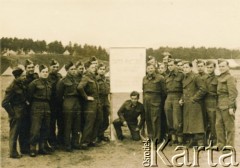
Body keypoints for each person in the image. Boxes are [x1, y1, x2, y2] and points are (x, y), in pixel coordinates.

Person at [179, 61, 206, 147]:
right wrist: (182, 99)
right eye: (183, 67)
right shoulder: (185, 78)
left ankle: (200, 142)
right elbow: (184, 91)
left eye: (187, 67)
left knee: (196, 123)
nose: (185, 69)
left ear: (191, 68)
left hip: (194, 103)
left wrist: (194, 98)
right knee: (189, 123)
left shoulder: (196, 77)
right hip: (187, 103)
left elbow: (203, 89)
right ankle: (192, 141)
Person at [2, 67, 27, 158]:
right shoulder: (12, 87)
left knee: (23, 131)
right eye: (23, 76)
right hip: (16, 112)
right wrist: (12, 114)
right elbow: (4, 103)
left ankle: (23, 149)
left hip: (22, 111)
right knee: (14, 133)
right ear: (17, 77)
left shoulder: (20, 84)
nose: (25, 77)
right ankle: (13, 152)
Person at [56, 61, 82, 152]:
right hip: (68, 102)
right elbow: (59, 95)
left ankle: (75, 143)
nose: (74, 71)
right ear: (67, 70)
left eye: (74, 69)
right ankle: (67, 144)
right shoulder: (63, 81)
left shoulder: (77, 80)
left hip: (77, 102)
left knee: (77, 124)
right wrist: (64, 105)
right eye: (71, 69)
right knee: (68, 124)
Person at [28, 65, 52, 157]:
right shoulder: (34, 83)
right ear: (39, 73)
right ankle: (33, 148)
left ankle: (42, 148)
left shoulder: (49, 83)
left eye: (46, 72)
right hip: (36, 105)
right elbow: (29, 96)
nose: (45, 73)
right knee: (35, 128)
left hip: (47, 106)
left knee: (45, 127)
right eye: (43, 72)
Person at [77, 61, 102, 148]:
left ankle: (92, 140)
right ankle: (85, 142)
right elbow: (80, 87)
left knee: (98, 120)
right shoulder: (86, 77)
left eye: (95, 67)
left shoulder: (93, 77)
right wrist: (86, 97)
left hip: (97, 102)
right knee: (89, 122)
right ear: (87, 68)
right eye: (92, 67)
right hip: (90, 103)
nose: (94, 68)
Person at [216, 59, 238, 151]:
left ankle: (229, 147)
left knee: (229, 127)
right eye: (220, 66)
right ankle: (221, 145)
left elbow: (233, 93)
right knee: (219, 126)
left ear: (228, 67)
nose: (221, 68)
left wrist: (231, 107)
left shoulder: (230, 78)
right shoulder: (220, 77)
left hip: (227, 104)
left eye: (223, 66)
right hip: (219, 104)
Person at [143, 63, 165, 144]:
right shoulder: (144, 78)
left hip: (156, 101)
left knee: (155, 120)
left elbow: (164, 92)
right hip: (146, 101)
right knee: (148, 119)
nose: (150, 70)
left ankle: (157, 138)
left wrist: (159, 101)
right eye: (148, 68)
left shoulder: (160, 78)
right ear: (146, 69)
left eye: (151, 68)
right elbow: (144, 90)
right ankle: (150, 137)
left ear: (154, 69)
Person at [20, 59, 39, 154]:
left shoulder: (36, 77)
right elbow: (20, 92)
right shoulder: (23, 78)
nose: (31, 69)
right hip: (25, 105)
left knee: (33, 126)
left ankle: (32, 146)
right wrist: (25, 100)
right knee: (24, 126)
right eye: (29, 67)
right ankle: (24, 148)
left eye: (32, 67)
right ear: (25, 68)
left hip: (34, 104)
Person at [164, 59, 184, 145]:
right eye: (168, 65)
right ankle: (173, 138)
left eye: (171, 65)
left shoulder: (181, 75)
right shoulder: (167, 76)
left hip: (177, 97)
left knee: (177, 119)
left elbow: (185, 88)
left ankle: (180, 139)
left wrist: (182, 98)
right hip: (169, 97)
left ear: (175, 65)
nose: (170, 67)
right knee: (169, 119)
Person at [47, 59, 63, 150]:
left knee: (61, 123)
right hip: (51, 103)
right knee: (51, 124)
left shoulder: (60, 76)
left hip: (60, 103)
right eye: (54, 67)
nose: (56, 69)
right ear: (50, 67)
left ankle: (60, 141)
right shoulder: (48, 77)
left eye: (57, 67)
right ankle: (52, 142)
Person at [204, 60, 218, 145]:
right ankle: (206, 140)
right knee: (205, 121)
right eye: (208, 67)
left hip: (213, 101)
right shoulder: (204, 78)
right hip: (204, 101)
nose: (209, 69)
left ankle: (214, 140)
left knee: (213, 121)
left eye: (211, 67)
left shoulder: (217, 78)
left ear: (214, 68)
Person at [96, 63, 110, 142]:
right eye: (100, 69)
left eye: (103, 69)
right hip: (99, 100)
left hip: (106, 101)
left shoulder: (107, 79)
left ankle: (101, 134)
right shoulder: (96, 79)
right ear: (97, 70)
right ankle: (98, 135)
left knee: (106, 120)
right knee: (99, 119)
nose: (102, 71)